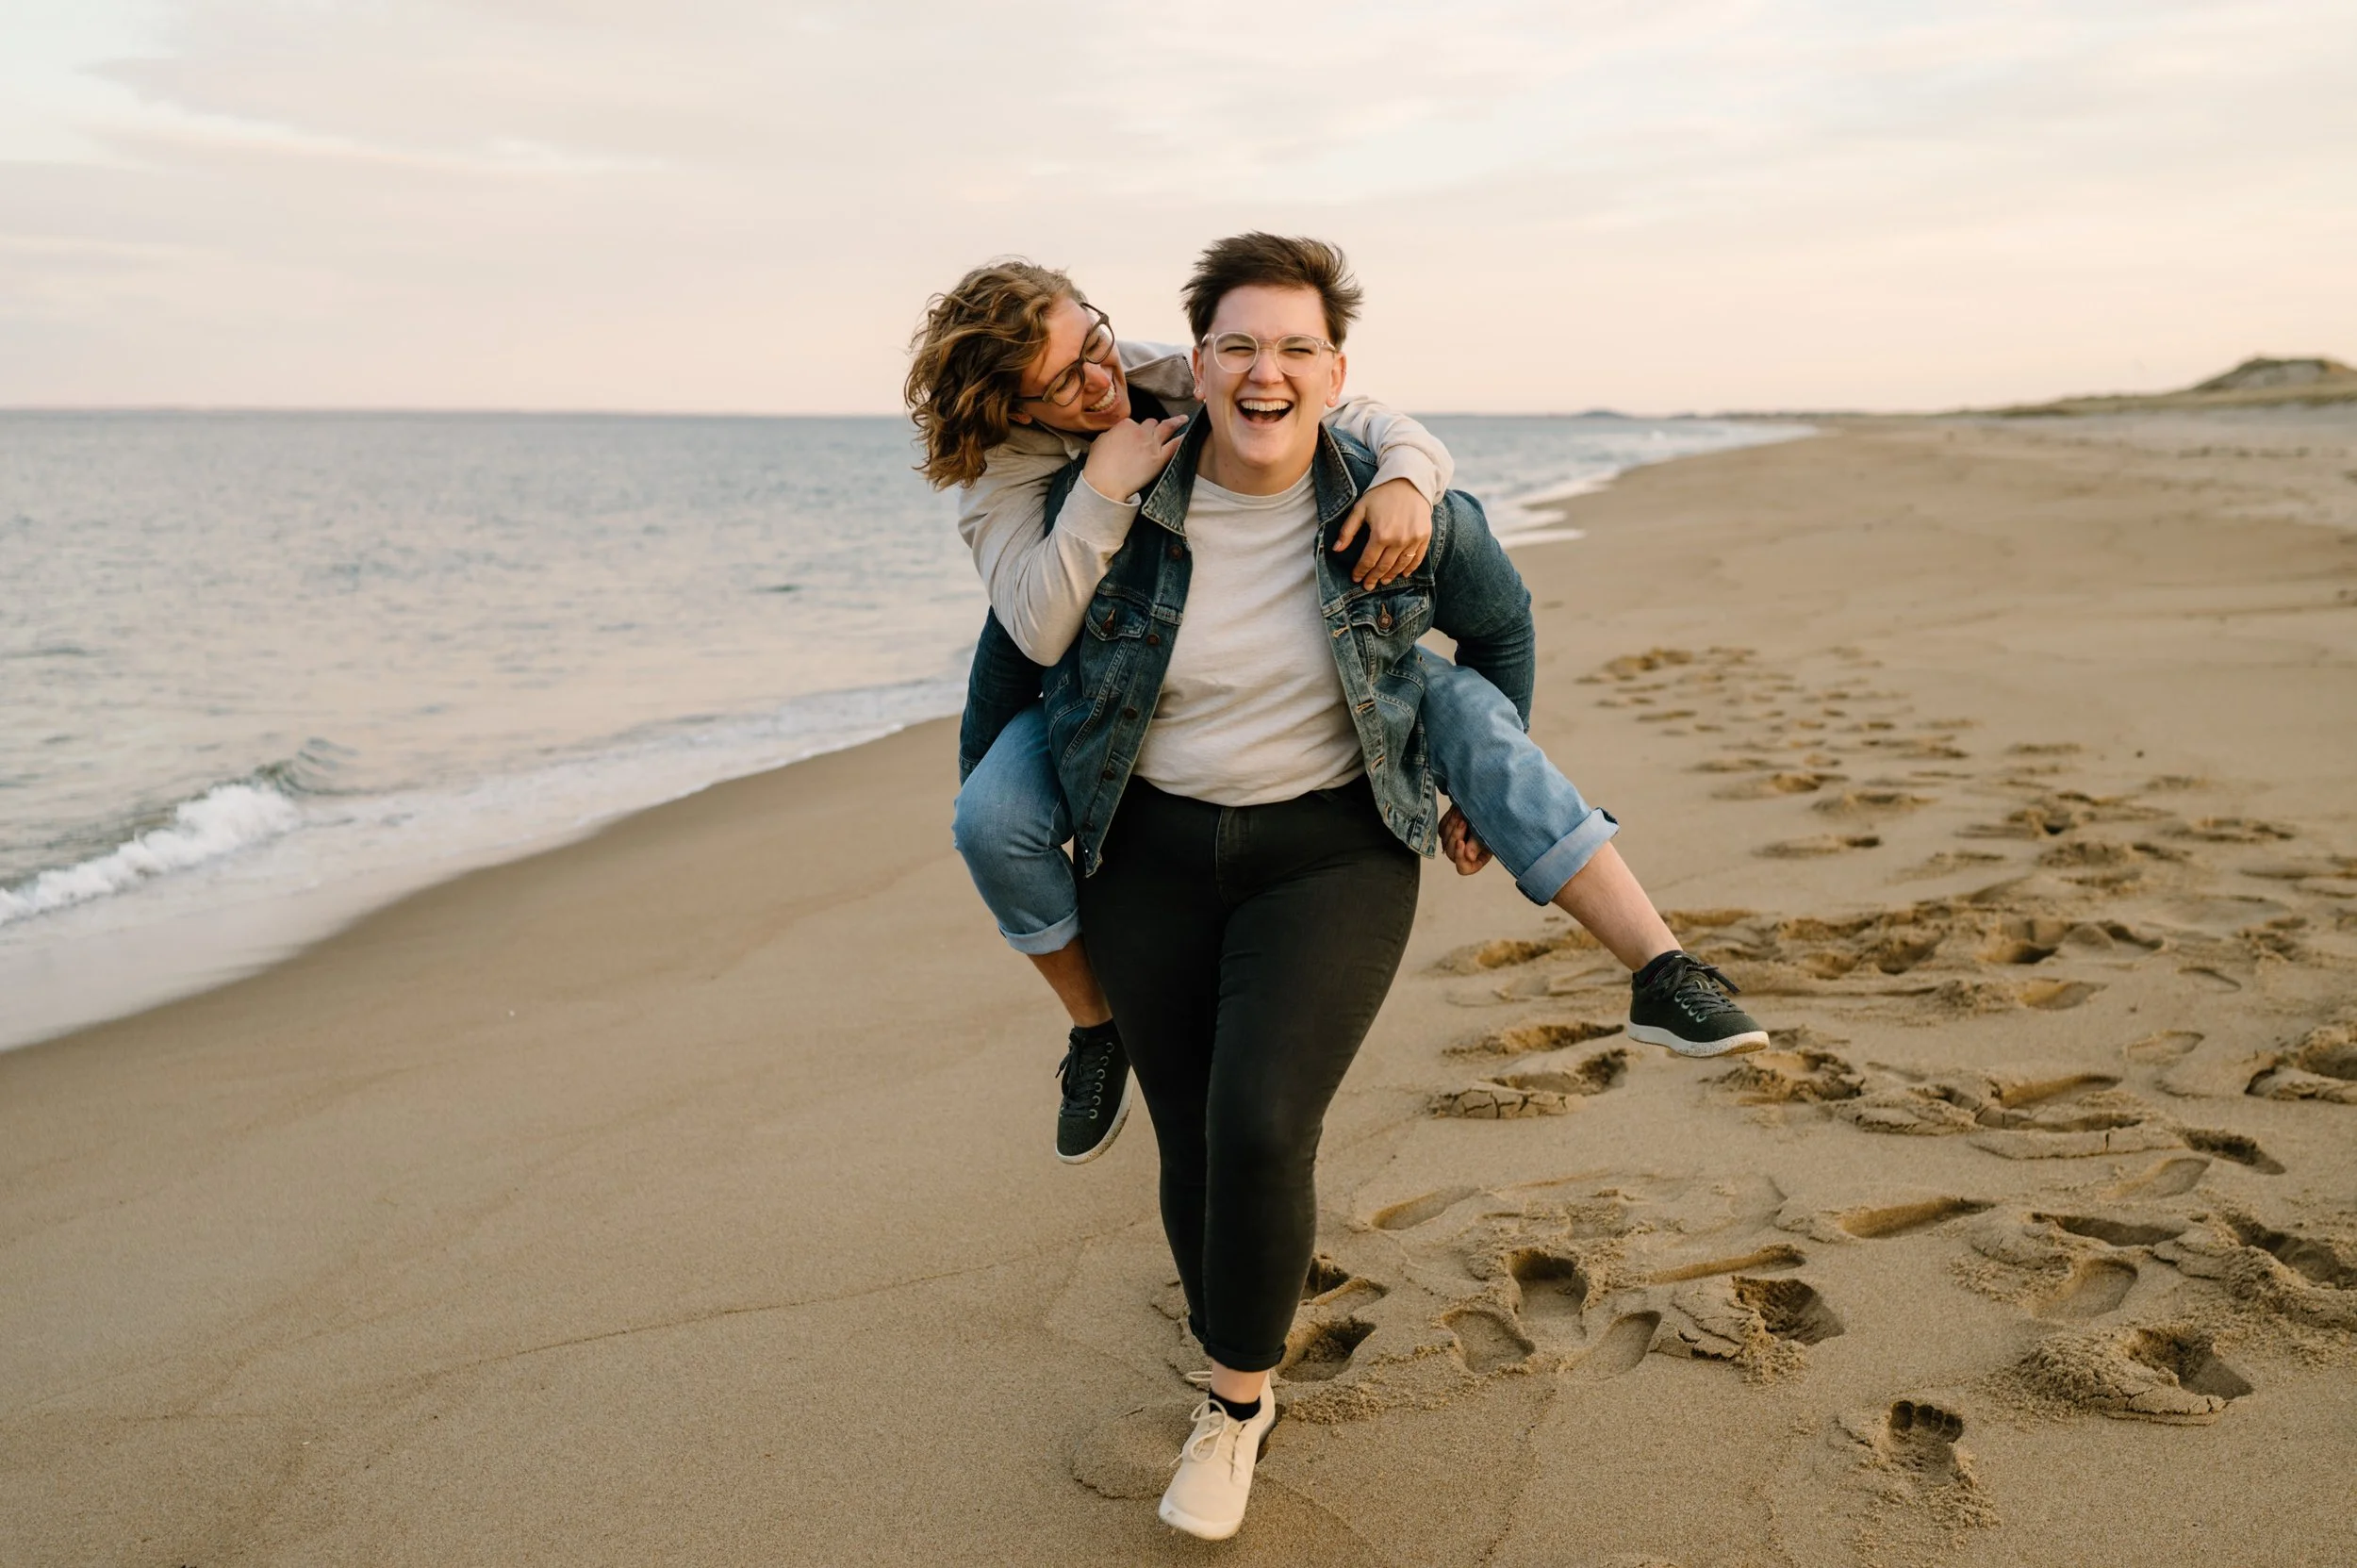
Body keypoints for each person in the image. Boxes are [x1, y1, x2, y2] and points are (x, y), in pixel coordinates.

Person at [905, 257, 1767, 1172]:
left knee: (1469, 713)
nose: (1102, 376)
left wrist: (1404, 479)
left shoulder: (1174, 374)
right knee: (989, 821)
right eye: (1064, 381)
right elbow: (1028, 635)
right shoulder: (1005, 478)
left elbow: (1371, 423)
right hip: (1102, 699)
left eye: (1095, 339)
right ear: (1014, 411)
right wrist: (1102, 486)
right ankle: (1095, 1028)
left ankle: (1663, 968)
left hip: (1303, 679)